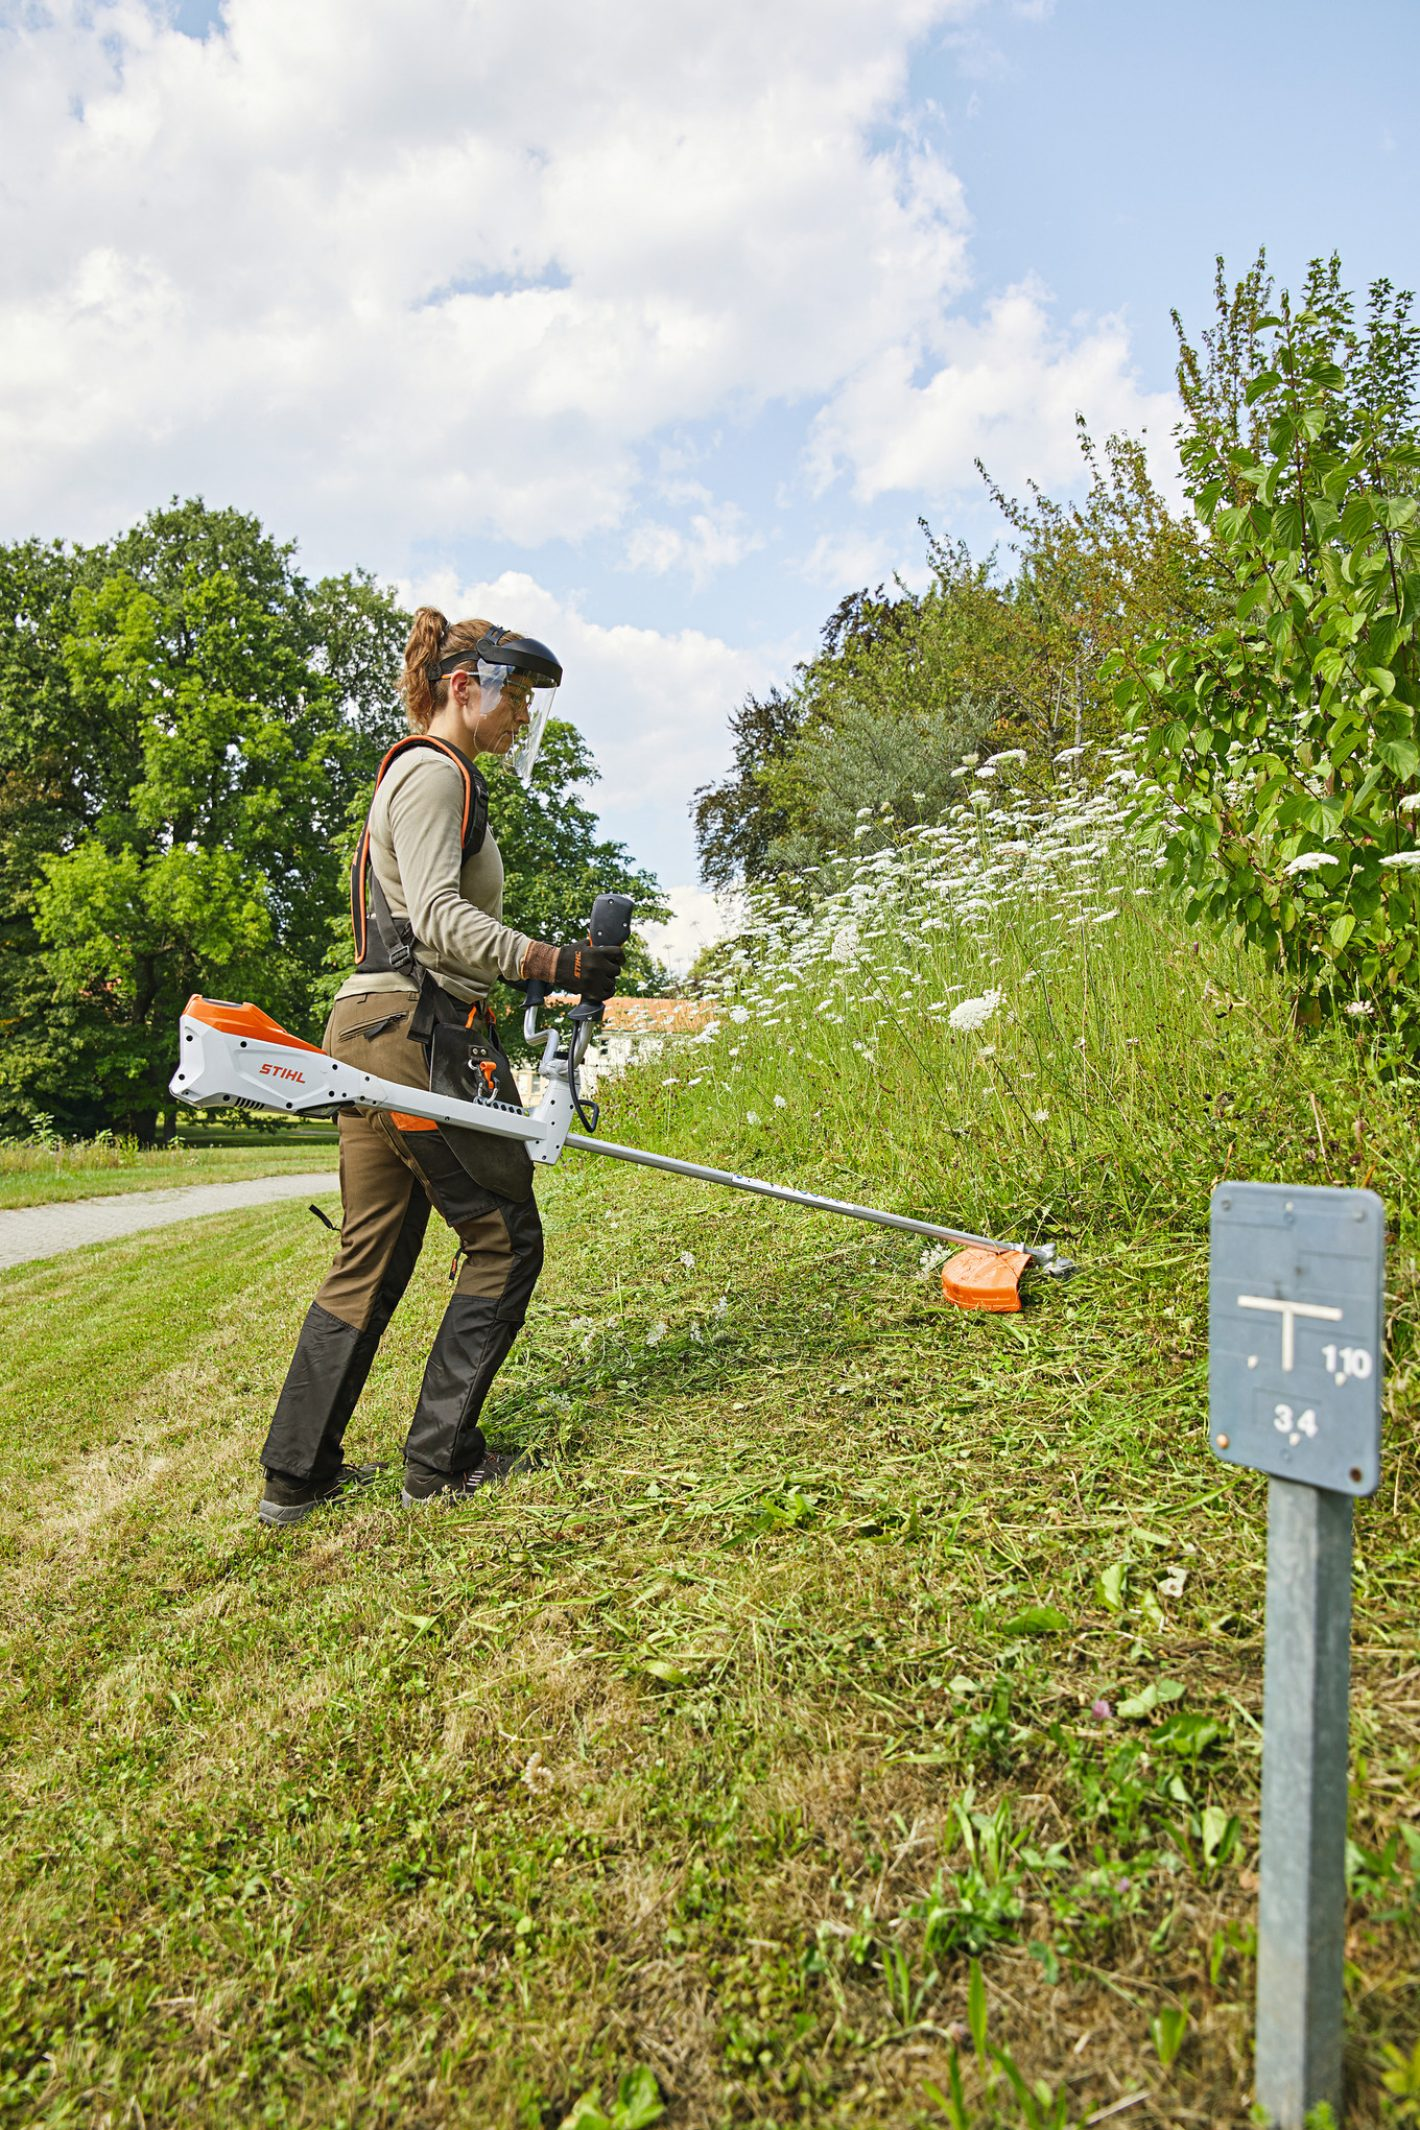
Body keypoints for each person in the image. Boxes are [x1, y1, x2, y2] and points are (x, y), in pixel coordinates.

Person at [256, 608, 625, 1526]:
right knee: (503, 1236)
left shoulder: (412, 777)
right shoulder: (434, 775)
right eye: (518, 700)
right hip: (415, 1032)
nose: (522, 721)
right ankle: (440, 1462)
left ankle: (294, 1479)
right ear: (466, 687)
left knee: (370, 1253)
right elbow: (438, 920)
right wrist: (556, 962)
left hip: (370, 1021)